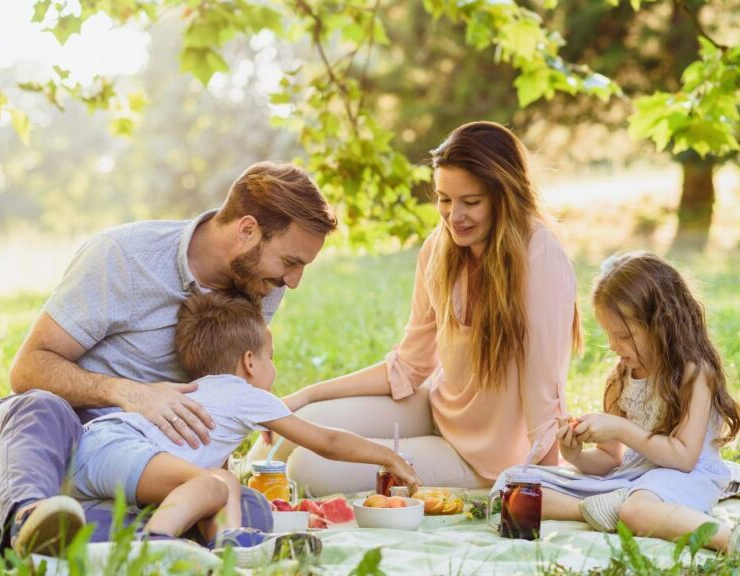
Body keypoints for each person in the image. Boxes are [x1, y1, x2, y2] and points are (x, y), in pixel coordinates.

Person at [0, 162, 338, 557]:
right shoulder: (123, 255)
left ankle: (22, 535)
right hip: (51, 441)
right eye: (291, 262)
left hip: (141, 464)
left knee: (247, 511)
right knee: (42, 406)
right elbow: (28, 370)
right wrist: (131, 393)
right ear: (247, 230)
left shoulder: (261, 283)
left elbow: (221, 391)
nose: (293, 281)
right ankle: (27, 515)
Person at [248, 121, 581, 494]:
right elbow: (409, 366)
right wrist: (307, 395)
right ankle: (229, 486)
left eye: (471, 202)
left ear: (504, 197)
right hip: (436, 411)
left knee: (309, 469)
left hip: (486, 458)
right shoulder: (439, 249)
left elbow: (543, 388)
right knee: (300, 423)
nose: (454, 217)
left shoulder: (540, 256)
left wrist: (544, 487)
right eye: (444, 199)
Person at [50, 291, 419, 563]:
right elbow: (327, 441)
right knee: (208, 484)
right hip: (115, 447)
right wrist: (387, 456)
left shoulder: (209, 390)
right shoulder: (244, 393)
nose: (273, 369)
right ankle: (153, 547)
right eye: (270, 358)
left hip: (98, 451)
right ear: (249, 362)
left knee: (224, 483)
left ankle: (231, 545)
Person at [492, 252, 740, 551]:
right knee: (513, 484)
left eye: (623, 335)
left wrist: (621, 428)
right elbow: (610, 460)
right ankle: (595, 508)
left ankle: (728, 540)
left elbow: (683, 459)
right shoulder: (620, 379)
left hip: (686, 478)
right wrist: (575, 455)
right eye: (609, 335)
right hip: (630, 480)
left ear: (662, 325)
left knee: (636, 511)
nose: (612, 345)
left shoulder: (694, 374)